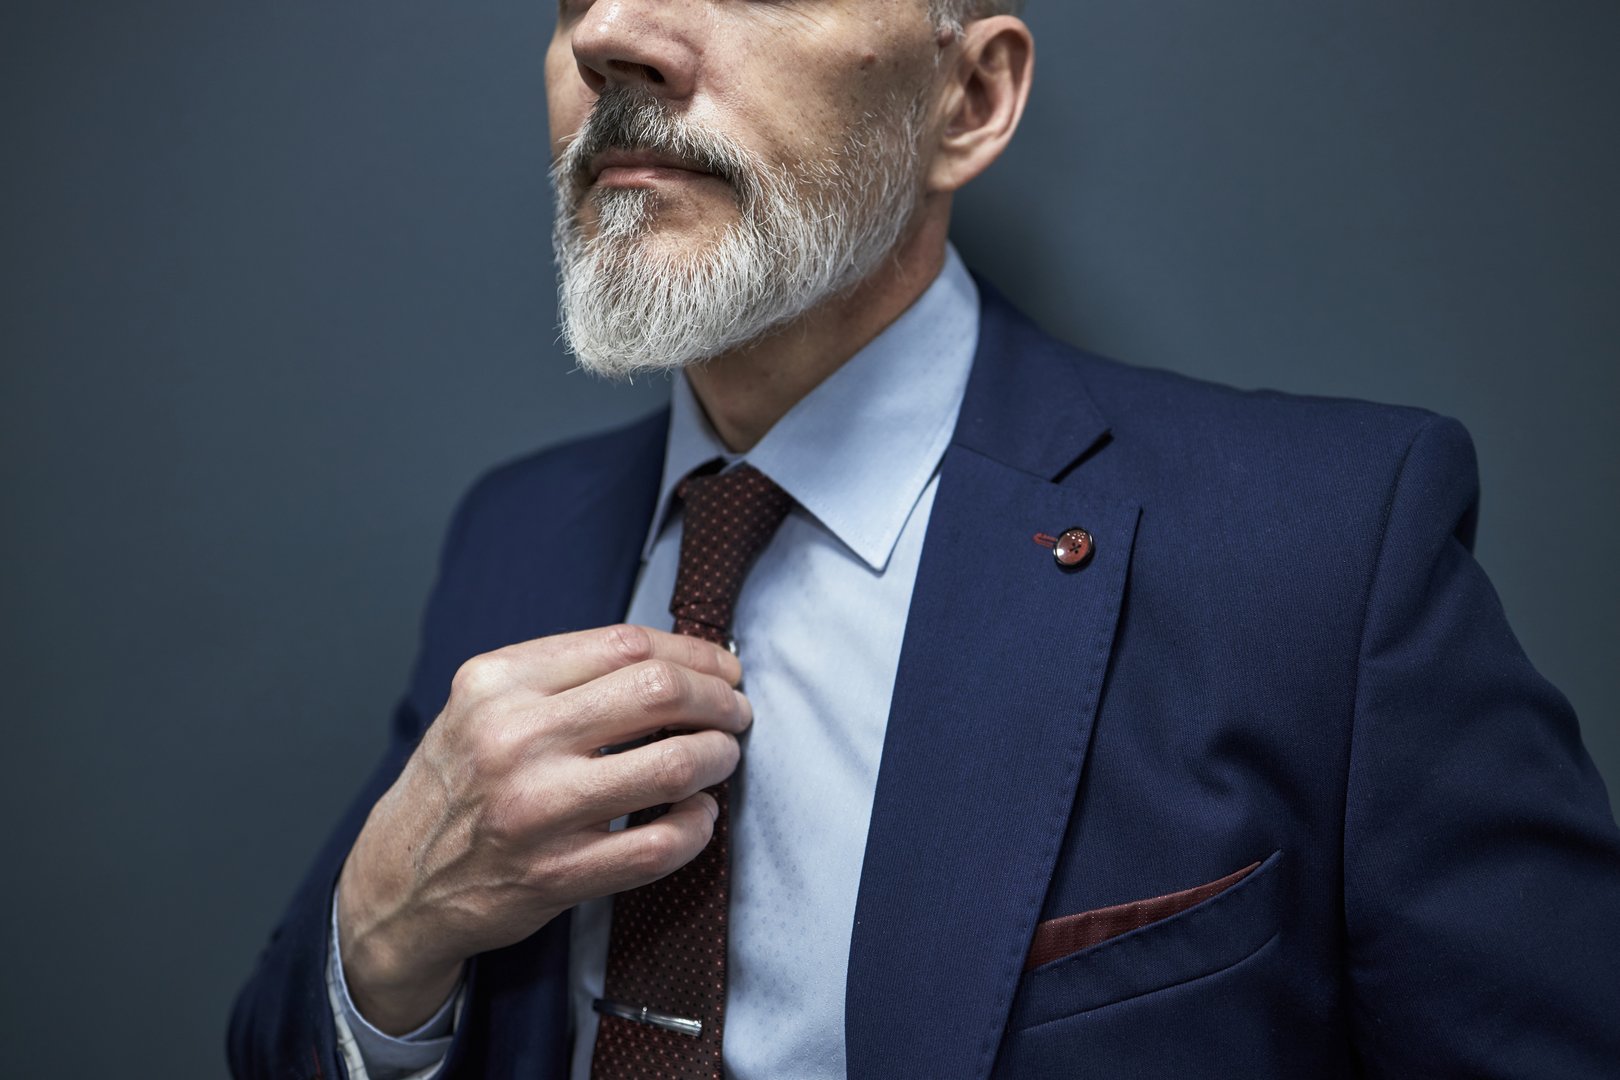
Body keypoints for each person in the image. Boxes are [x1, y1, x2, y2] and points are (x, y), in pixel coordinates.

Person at [229, 0, 1620, 1076]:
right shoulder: (512, 541)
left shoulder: (1327, 546)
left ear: (971, 96)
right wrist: (384, 935)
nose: (611, 37)